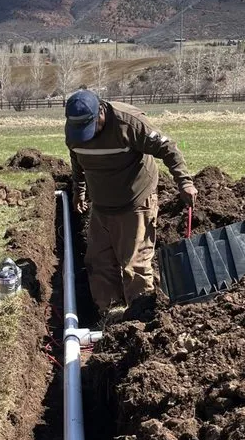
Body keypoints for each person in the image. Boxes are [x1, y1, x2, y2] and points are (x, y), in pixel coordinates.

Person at [64, 89, 197, 313]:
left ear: (101, 112)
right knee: (99, 261)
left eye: (90, 127)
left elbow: (168, 148)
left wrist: (184, 182)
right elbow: (77, 159)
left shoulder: (129, 123)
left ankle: (140, 316)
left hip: (135, 201)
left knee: (134, 264)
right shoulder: (75, 129)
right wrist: (79, 189)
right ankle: (110, 314)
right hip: (102, 204)